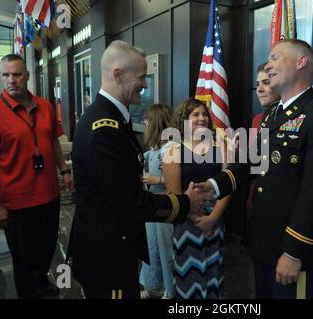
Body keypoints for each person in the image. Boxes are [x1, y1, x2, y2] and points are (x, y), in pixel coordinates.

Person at [196, 39, 313, 299]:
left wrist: (293, 251)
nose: (268, 64)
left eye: (276, 58)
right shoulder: (272, 114)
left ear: (301, 62)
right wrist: (215, 185)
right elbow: (252, 164)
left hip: (292, 249)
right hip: (263, 242)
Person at [68, 40, 205, 299]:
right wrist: (186, 203)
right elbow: (131, 201)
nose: (145, 84)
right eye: (141, 77)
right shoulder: (104, 129)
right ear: (117, 74)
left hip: (112, 244)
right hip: (107, 255)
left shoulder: (111, 118)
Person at [0, 54, 73, 299]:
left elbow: (53, 141)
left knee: (46, 251)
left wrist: (64, 170)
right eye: (5, 75)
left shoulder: (44, 106)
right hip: (16, 202)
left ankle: (42, 284)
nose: (11, 80)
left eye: (16, 74)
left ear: (26, 75)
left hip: (49, 195)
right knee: (24, 262)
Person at [163, 98, 231, 299]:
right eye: (195, 114)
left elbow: (228, 187)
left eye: (204, 114)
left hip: (216, 219)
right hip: (186, 223)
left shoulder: (221, 147)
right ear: (184, 119)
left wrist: (212, 219)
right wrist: (197, 219)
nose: (201, 118)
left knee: (214, 278)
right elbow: (174, 195)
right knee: (189, 282)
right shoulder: (173, 150)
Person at [139, 104, 175, 299]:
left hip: (165, 205)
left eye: (147, 119)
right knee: (150, 247)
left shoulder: (170, 148)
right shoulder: (155, 148)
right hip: (152, 204)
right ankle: (153, 286)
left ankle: (170, 290)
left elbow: (177, 179)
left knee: (165, 250)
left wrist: (156, 180)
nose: (144, 122)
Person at [246, 62, 281, 211]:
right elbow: (253, 163)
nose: (259, 89)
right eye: (257, 84)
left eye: (266, 83)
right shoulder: (257, 119)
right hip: (257, 197)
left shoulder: (295, 118)